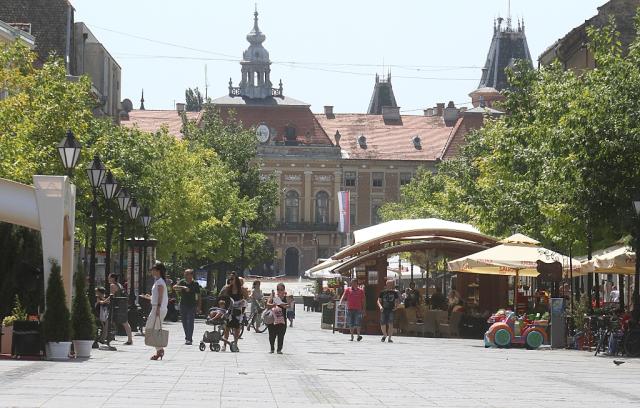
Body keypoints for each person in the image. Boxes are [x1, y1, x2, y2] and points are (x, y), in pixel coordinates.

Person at [142, 262, 168, 360]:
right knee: (153, 328)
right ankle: (159, 350)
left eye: (153, 270)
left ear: (158, 271)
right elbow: (158, 296)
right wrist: (150, 297)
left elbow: (160, 296)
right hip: (157, 307)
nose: (152, 272)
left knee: (151, 328)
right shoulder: (158, 281)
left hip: (158, 308)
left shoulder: (160, 282)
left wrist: (157, 307)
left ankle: (159, 350)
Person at [219, 272, 247, 351]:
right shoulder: (227, 288)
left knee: (237, 328)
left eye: (232, 279)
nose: (230, 280)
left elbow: (247, 298)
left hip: (238, 310)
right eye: (229, 279)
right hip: (229, 309)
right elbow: (221, 295)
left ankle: (235, 344)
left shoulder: (241, 289)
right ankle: (224, 345)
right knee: (227, 327)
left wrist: (242, 301)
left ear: (236, 280)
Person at [173, 269, 201, 345]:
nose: (185, 275)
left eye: (187, 274)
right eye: (185, 274)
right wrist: (183, 287)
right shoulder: (183, 281)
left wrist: (199, 306)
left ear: (191, 275)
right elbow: (174, 287)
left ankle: (189, 339)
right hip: (183, 304)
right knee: (184, 322)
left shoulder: (195, 283)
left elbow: (199, 296)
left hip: (192, 305)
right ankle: (187, 337)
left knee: (190, 322)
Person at [107, 273, 133, 345]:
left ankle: (106, 338)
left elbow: (111, 297)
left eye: (109, 277)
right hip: (123, 305)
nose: (108, 279)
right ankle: (130, 339)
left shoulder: (112, 285)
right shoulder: (119, 285)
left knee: (108, 321)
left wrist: (104, 301)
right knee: (125, 322)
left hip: (116, 306)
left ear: (112, 278)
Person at [266, 283, 289, 354]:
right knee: (272, 335)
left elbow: (288, 305)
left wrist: (285, 304)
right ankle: (272, 348)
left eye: (281, 289)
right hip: (273, 319)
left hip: (282, 319)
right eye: (278, 289)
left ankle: (279, 349)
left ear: (284, 290)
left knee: (281, 335)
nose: (279, 291)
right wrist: (273, 304)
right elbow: (267, 305)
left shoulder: (286, 298)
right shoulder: (273, 297)